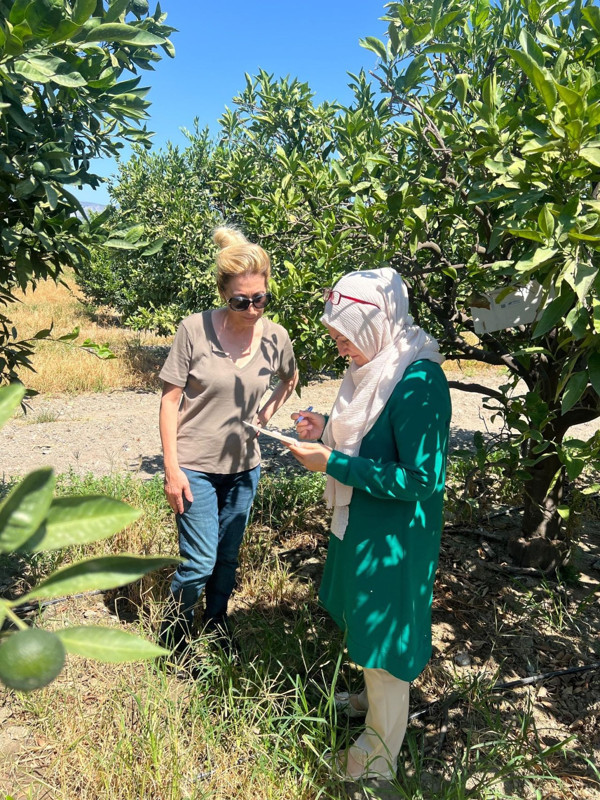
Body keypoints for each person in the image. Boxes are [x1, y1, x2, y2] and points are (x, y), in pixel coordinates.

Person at [285, 267, 451, 782]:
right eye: (334, 336)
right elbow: (370, 435)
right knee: (365, 620)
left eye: (345, 337)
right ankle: (370, 699)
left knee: (385, 638)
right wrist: (328, 432)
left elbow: (423, 478)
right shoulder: (375, 368)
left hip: (393, 537)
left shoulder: (419, 381)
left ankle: (375, 761)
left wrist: (332, 463)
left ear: (375, 327)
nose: (339, 348)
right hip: (364, 524)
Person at [158, 226, 298, 654]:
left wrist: (265, 415)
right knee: (199, 561)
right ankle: (174, 637)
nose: (253, 309)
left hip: (244, 469)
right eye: (242, 301)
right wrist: (172, 469)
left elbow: (289, 379)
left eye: (260, 298)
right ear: (223, 294)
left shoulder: (276, 337)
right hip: (195, 466)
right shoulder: (194, 330)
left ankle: (216, 626)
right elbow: (169, 400)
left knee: (227, 559)